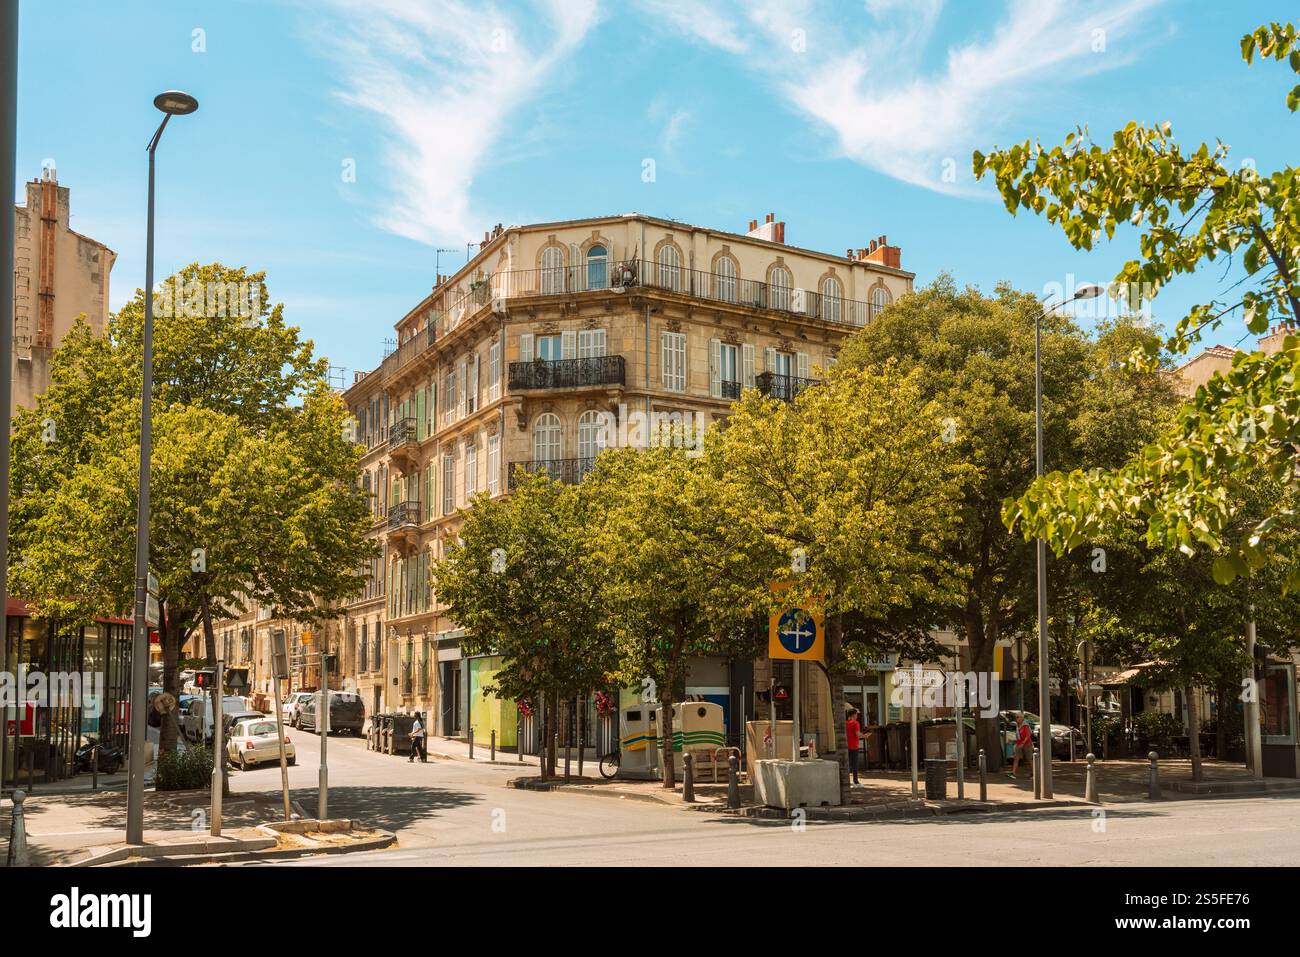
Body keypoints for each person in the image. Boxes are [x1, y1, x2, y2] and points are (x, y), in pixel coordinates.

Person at [1009, 712, 1033, 778]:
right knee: (1016, 758)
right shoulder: (1017, 725)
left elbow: (1028, 735)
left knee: (1029, 759)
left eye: (1018, 717)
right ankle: (1013, 773)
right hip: (1018, 744)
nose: (1016, 718)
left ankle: (1035, 772)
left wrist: (1023, 743)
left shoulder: (1025, 725)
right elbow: (1018, 736)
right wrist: (1014, 741)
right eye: (1016, 717)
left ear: (1022, 718)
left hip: (1027, 744)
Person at [844, 708, 862, 785]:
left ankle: (846, 780)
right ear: (854, 715)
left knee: (847, 764)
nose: (857, 715)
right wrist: (864, 735)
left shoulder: (845, 723)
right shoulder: (856, 723)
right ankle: (855, 780)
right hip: (854, 746)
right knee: (854, 764)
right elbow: (857, 734)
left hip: (846, 746)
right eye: (856, 714)